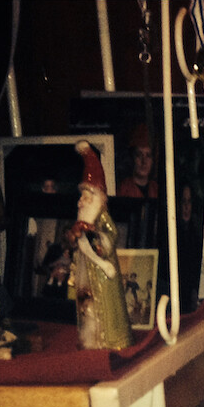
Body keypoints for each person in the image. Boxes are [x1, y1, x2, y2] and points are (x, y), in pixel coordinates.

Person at [67, 141, 133, 350]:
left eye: (87, 196)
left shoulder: (102, 218)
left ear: (98, 198)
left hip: (104, 277)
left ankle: (110, 339)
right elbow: (78, 245)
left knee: (105, 306)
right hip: (86, 274)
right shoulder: (82, 221)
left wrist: (93, 234)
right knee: (87, 305)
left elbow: (110, 237)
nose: (81, 201)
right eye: (81, 196)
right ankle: (90, 338)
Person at [117, 123, 158, 199]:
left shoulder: (156, 189)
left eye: (148, 156)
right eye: (139, 155)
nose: (144, 161)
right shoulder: (124, 189)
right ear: (132, 158)